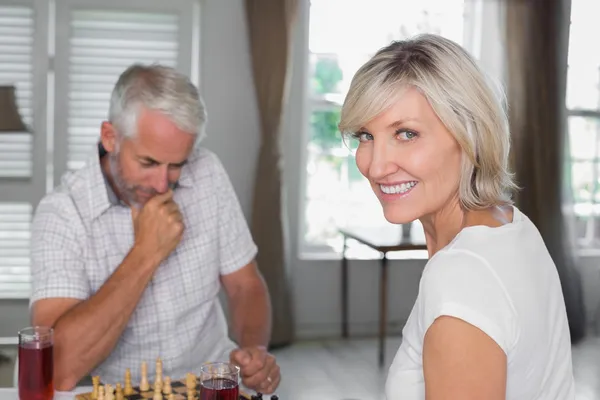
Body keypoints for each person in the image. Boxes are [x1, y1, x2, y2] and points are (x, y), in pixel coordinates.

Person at [338, 34, 575, 399]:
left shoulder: (461, 277)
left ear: (470, 134)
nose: (376, 165)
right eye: (365, 136)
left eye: (406, 133)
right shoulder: (511, 224)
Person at [29, 64, 280, 393]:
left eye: (177, 165)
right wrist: (146, 252)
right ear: (110, 137)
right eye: (147, 163)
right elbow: (57, 368)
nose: (162, 184)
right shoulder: (62, 213)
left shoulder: (208, 172)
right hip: (113, 390)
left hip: (207, 383)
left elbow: (245, 286)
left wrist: (254, 352)